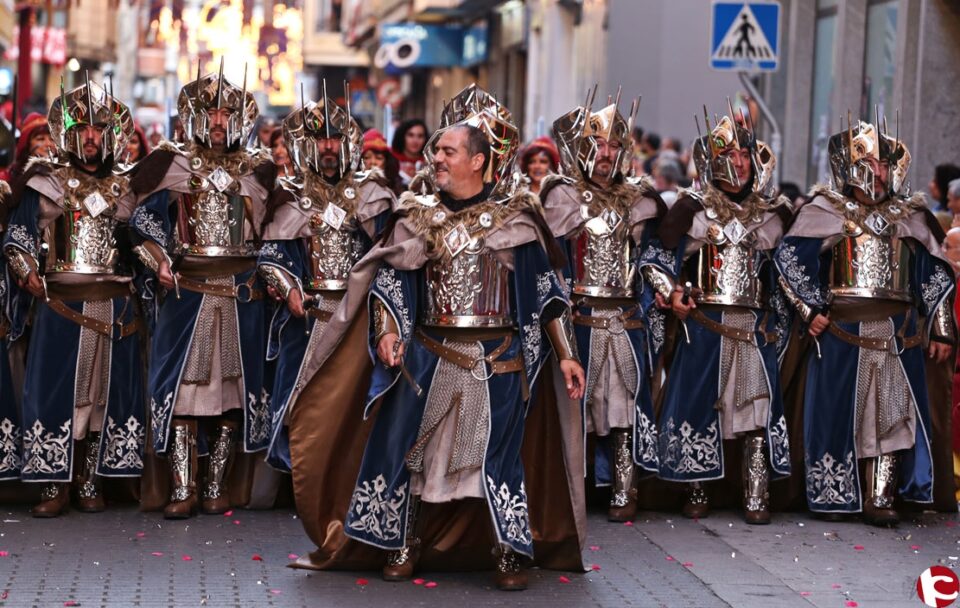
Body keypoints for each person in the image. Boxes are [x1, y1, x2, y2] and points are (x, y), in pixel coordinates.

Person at [282, 85, 587, 591]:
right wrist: (387, 331)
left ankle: (508, 550)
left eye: (448, 151)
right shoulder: (417, 216)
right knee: (417, 452)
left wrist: (568, 356)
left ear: (479, 160)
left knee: (498, 455)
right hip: (430, 358)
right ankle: (406, 541)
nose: (436, 159)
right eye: (436, 151)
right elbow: (390, 281)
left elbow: (545, 294)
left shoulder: (519, 221)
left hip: (500, 360)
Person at [776, 119, 955, 526]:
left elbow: (933, 273)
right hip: (841, 334)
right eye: (868, 162)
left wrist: (942, 327)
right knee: (838, 416)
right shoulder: (822, 212)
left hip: (898, 334)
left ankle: (881, 496)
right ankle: (833, 494)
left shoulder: (910, 217)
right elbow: (789, 263)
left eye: (882, 163)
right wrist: (810, 310)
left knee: (893, 415)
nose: (876, 171)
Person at [129, 64, 276, 519]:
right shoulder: (170, 163)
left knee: (234, 394)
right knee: (182, 393)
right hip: (187, 292)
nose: (217, 125)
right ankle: (182, 488)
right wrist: (159, 261)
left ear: (240, 121)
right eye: (209, 116)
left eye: (226, 117)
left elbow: (276, 232)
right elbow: (142, 222)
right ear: (193, 118)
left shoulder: (260, 170)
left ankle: (217, 487)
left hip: (240, 294)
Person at [641, 109, 793, 525]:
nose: (740, 164)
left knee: (756, 410)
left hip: (754, 326)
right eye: (731, 155)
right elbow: (655, 259)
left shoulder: (774, 212)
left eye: (745, 154)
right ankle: (697, 488)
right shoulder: (692, 208)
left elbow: (788, 269)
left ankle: (757, 495)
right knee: (696, 406)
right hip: (703, 324)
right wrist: (671, 291)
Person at [2, 81, 145, 517]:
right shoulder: (47, 181)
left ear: (111, 134)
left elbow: (138, 237)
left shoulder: (126, 187)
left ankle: (87, 481)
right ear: (68, 132)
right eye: (83, 129)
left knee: (102, 396)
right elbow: (18, 236)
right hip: (61, 304)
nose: (91, 138)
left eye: (100, 129)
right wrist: (27, 272)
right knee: (55, 393)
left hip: (113, 304)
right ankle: (52, 487)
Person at [541, 91, 665, 522]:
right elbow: (550, 257)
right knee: (581, 404)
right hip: (579, 317)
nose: (607, 153)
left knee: (624, 405)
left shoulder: (640, 199)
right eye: (599, 144)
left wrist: (663, 283)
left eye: (615, 145)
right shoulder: (560, 196)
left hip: (626, 317)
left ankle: (623, 488)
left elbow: (653, 254)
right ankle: (578, 488)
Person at [257, 92, 396, 471]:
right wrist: (288, 289)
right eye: (320, 139)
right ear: (306, 144)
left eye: (335, 139)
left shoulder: (373, 193)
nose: (329, 147)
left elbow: (389, 259)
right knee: (302, 395)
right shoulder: (289, 195)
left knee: (349, 396)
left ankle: (345, 472)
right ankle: (300, 472)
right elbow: (270, 256)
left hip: (357, 318)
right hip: (309, 316)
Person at [0, 113, 56, 182]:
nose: (48, 144)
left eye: (52, 139)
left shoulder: (67, 173)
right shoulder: (7, 177)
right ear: (28, 144)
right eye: (41, 139)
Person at [360, 128, 403, 194]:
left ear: (387, 162)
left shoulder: (396, 188)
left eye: (379, 158)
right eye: (367, 157)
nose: (373, 162)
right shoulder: (351, 188)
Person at [390, 118, 429, 186]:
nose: (415, 141)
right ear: (402, 136)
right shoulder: (390, 159)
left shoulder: (430, 162)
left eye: (420, 136)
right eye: (410, 135)